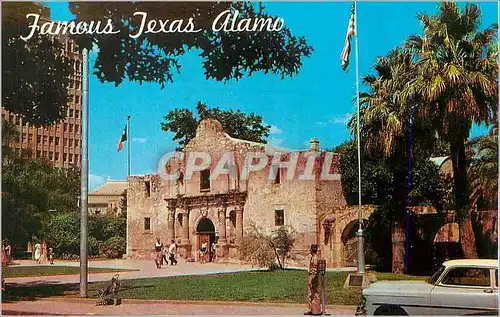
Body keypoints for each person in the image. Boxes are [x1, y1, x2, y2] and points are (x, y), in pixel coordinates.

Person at [305, 244, 322, 316]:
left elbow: (314, 270)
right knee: (310, 294)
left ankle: (316, 310)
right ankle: (312, 309)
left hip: (313, 278)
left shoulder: (315, 258)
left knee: (314, 293)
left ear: (312, 250)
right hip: (312, 277)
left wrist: (311, 279)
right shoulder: (313, 257)